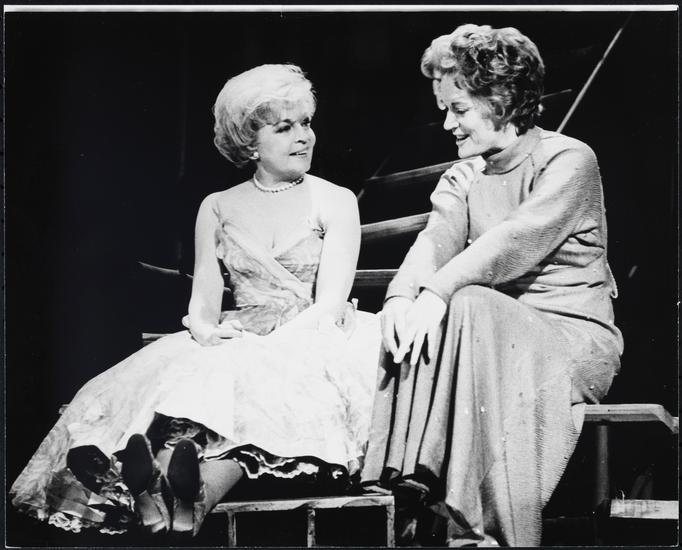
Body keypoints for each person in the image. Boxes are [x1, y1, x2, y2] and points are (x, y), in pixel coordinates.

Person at [10, 64, 380, 536]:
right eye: (284, 127)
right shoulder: (217, 206)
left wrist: (270, 348)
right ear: (250, 142)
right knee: (194, 382)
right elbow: (203, 300)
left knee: (253, 388)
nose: (303, 136)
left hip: (311, 334)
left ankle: (168, 496)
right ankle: (163, 494)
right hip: (242, 329)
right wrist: (206, 330)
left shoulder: (335, 199)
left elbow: (330, 302)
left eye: (305, 123)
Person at [361, 25, 623, 547]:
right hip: (485, 340)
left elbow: (515, 239)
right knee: (419, 317)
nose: (447, 124)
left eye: (458, 109)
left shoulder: (569, 159)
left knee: (467, 301)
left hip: (571, 340)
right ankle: (407, 487)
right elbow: (434, 243)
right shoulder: (464, 175)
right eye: (444, 109)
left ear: (500, 98)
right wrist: (400, 297)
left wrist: (436, 294)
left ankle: (480, 525)